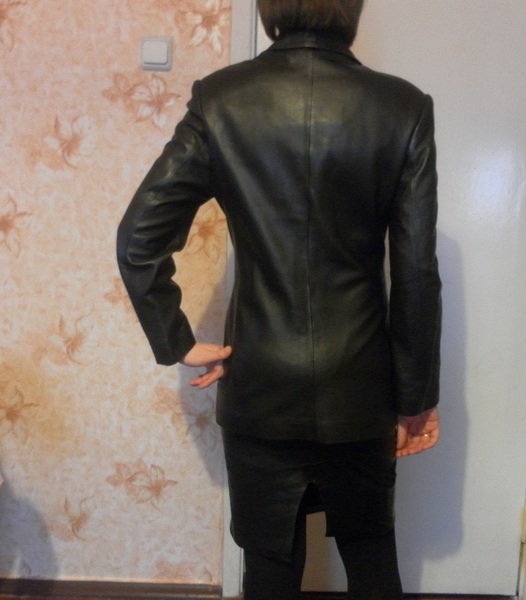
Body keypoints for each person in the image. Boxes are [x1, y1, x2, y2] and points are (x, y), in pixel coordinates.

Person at [117, 0, 442, 597]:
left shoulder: (221, 100)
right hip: (361, 382)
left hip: (260, 378)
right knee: (371, 554)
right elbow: (417, 272)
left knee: (270, 562)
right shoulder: (403, 107)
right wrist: (416, 396)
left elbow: (139, 239)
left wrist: (178, 340)